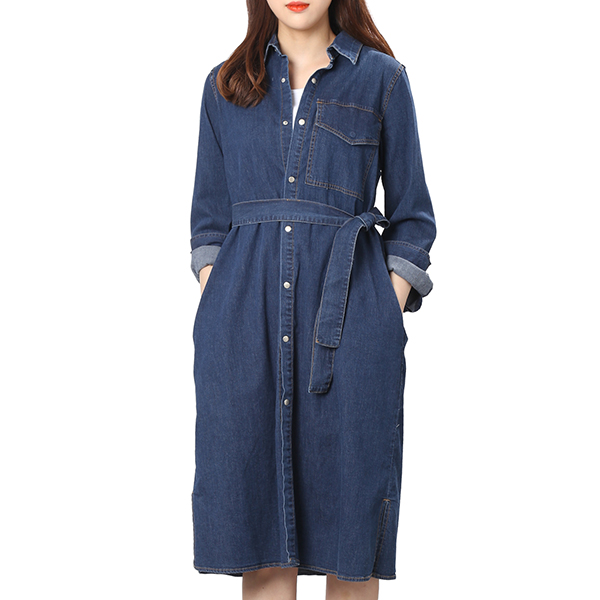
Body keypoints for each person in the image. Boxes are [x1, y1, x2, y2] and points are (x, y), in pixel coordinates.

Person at [189, 0, 436, 598]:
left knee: (353, 540)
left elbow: (413, 219)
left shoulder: (382, 79)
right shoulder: (225, 86)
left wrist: (382, 308)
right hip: (242, 334)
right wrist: (222, 303)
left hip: (350, 329)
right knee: (259, 539)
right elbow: (208, 224)